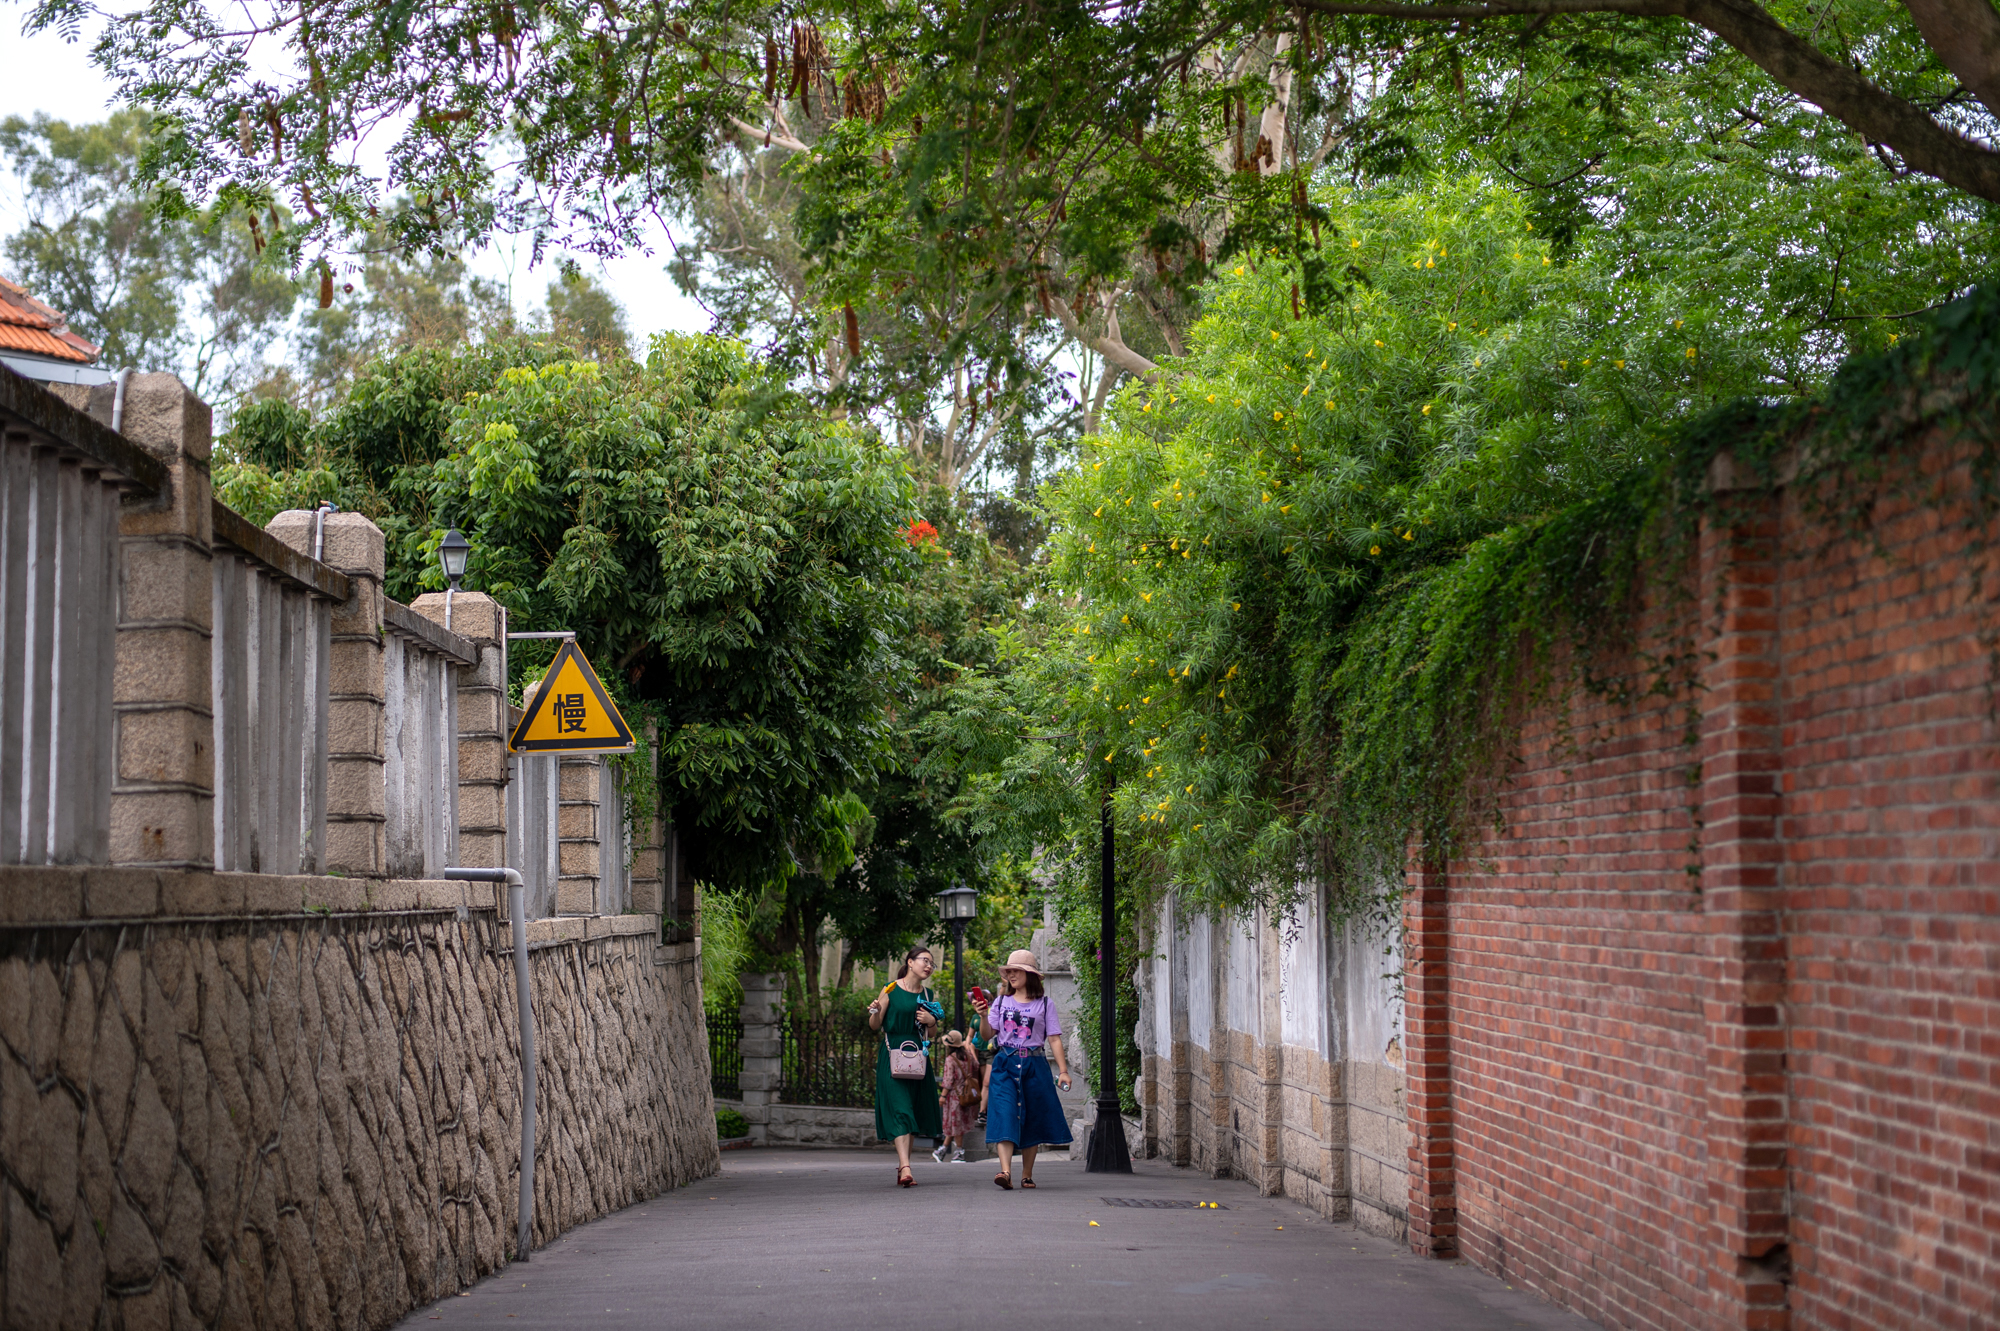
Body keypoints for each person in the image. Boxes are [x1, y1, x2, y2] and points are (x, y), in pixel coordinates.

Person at [972, 949, 1072, 1189]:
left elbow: (1055, 1039)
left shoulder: (1046, 1004)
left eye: (1016, 970)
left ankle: (1026, 1174)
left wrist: (1064, 1070)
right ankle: (1005, 1171)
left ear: (1030, 974)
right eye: (1009, 971)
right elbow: (987, 1035)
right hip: (1005, 1063)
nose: (1011, 975)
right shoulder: (1001, 1002)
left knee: (1032, 1117)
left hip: (1034, 1064)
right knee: (1004, 1113)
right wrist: (984, 1016)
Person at [868, 945, 943, 1186]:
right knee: (900, 1108)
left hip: (918, 1057)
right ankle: (907, 1167)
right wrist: (874, 1011)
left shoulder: (929, 995)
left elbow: (933, 1032)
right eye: (925, 960)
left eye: (932, 963)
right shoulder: (890, 988)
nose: (929, 966)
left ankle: (903, 1166)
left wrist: (932, 1021)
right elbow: (874, 1024)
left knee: (911, 1110)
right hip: (892, 1055)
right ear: (910, 962)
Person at [933, 1031, 980, 1162]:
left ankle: (959, 1152)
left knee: (956, 1124)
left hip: (955, 1096)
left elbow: (948, 1081)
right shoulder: (969, 1056)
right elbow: (976, 1066)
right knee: (955, 1124)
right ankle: (942, 1150)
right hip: (967, 1095)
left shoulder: (950, 1059)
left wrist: (942, 1096)